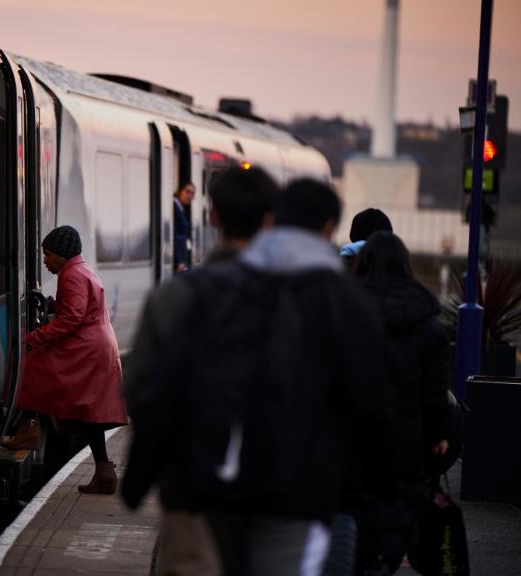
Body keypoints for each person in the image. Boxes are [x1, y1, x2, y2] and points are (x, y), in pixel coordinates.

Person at [123, 179, 395, 575]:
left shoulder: (201, 291)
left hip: (202, 484)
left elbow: (152, 388)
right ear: (329, 228)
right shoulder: (345, 302)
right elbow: (371, 408)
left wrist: (143, 475)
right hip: (295, 493)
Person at [124, 166, 277, 575]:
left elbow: (140, 391)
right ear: (270, 220)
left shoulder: (174, 296)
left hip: (192, 492)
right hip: (282, 495)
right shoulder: (302, 297)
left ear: (212, 216)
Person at [350, 232, 455, 575]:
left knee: (352, 513)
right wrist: (438, 435)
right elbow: (435, 394)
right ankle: (383, 559)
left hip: (351, 439)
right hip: (406, 441)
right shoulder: (429, 328)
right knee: (396, 513)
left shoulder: (344, 314)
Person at [13, 225, 128, 494]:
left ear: (62, 255)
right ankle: (104, 471)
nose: (45, 260)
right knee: (89, 412)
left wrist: (34, 339)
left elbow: (71, 318)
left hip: (85, 349)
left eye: (48, 254)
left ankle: (29, 426)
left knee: (30, 366)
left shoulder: (71, 275)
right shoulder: (80, 269)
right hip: (94, 345)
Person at [173, 182, 195, 271]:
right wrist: (178, 261)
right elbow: (174, 236)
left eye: (192, 193)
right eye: (187, 192)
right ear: (179, 191)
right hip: (178, 261)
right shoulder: (174, 207)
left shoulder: (180, 208)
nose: (190, 196)